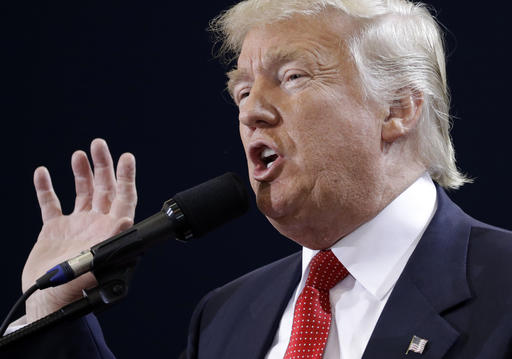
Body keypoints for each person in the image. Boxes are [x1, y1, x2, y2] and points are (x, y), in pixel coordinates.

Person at [3, 0, 512, 358]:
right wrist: (51, 310)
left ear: (398, 107)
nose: (252, 112)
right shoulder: (226, 316)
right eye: (242, 91)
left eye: (292, 77)